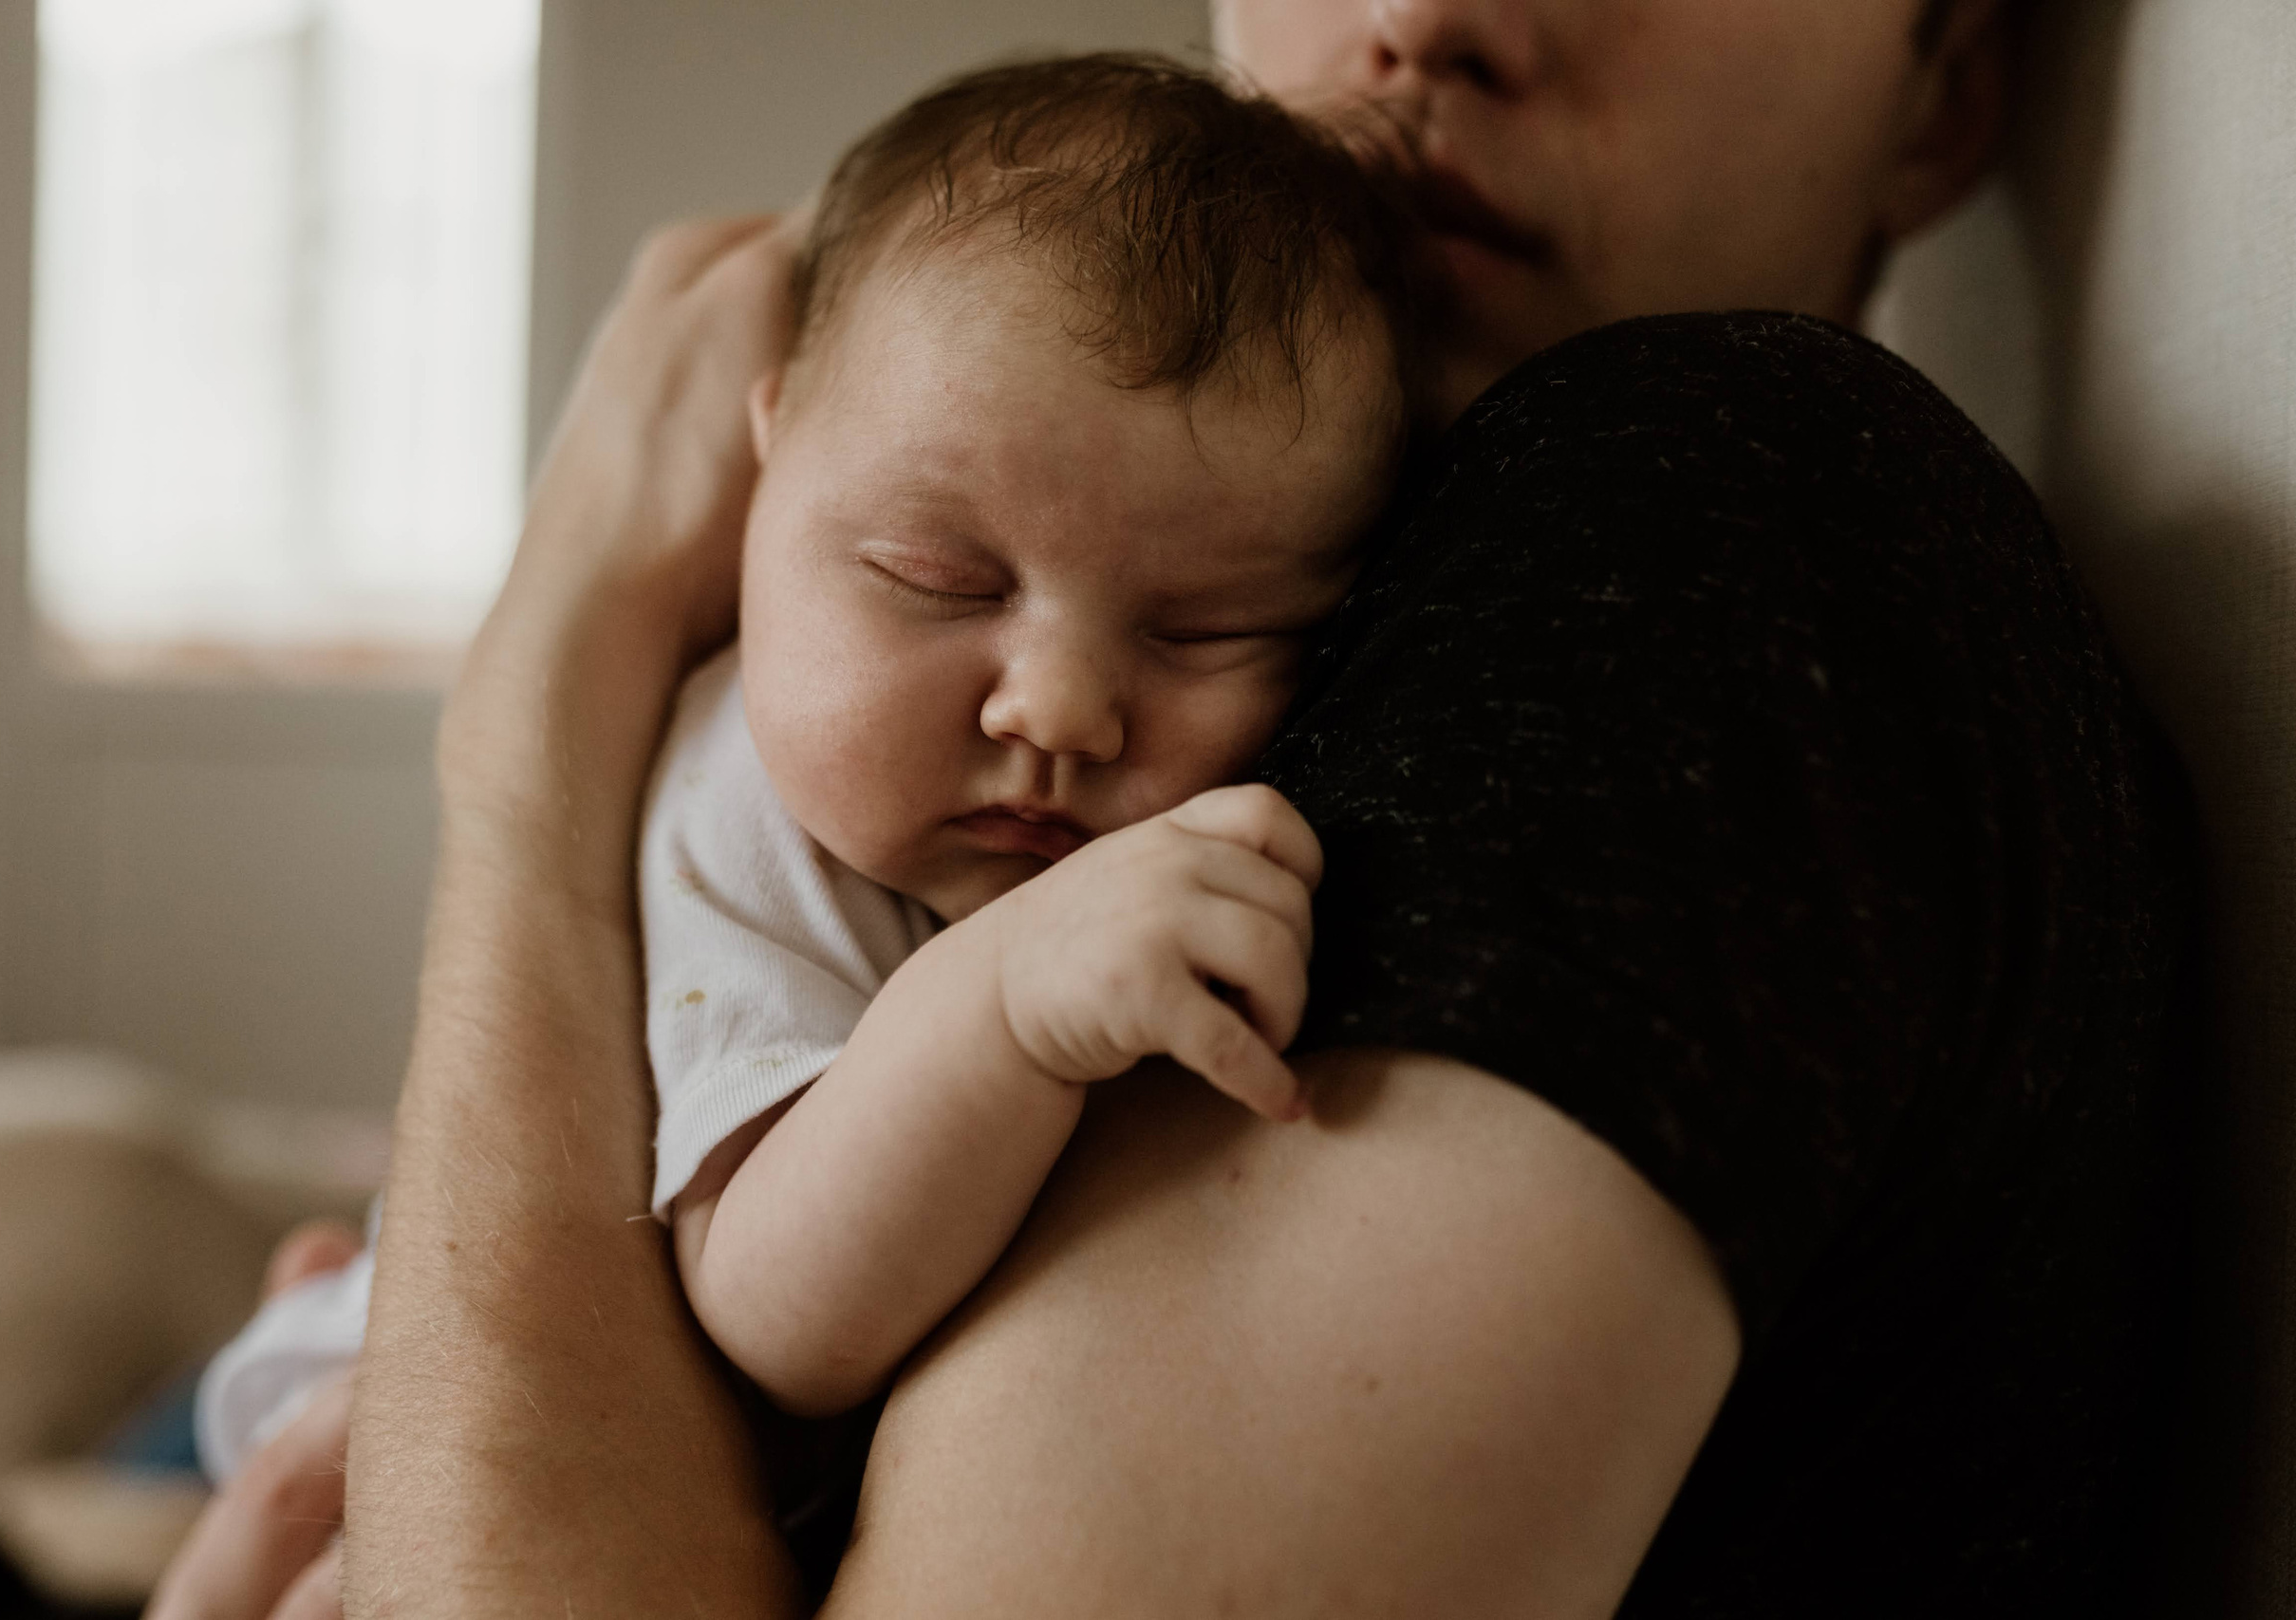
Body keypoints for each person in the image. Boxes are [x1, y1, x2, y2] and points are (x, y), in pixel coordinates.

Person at [149, 1, 2196, 1616]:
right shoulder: (1367, 622)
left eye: (1214, 619)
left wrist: (534, 710)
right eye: (943, 581)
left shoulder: (1698, 523)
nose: (1421, 18)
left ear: (1940, 94)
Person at [192, 53, 1412, 1475]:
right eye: (940, 578)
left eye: (1209, 630)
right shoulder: (749, 802)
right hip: (410, 1436)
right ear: (766, 471)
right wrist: (1005, 1007)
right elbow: (779, 1312)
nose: (1062, 710)